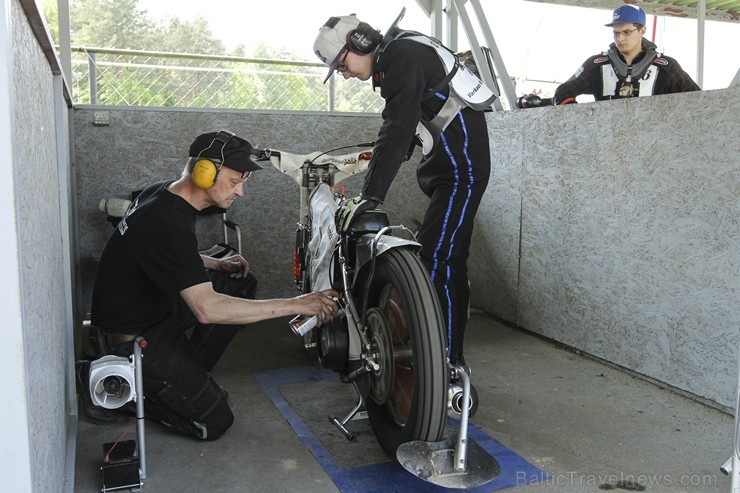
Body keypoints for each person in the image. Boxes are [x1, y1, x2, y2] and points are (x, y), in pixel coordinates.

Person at [84, 130, 339, 440]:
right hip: (131, 339)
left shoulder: (162, 194)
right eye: (235, 182)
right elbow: (207, 309)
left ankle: (190, 373)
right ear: (204, 173)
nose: (241, 192)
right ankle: (124, 390)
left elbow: (159, 252)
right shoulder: (168, 221)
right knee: (214, 421)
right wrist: (298, 304)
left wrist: (215, 263)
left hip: (152, 311)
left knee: (238, 281)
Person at [313, 10, 495, 372]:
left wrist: (371, 197)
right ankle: (445, 356)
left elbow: (396, 127)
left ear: (359, 43)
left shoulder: (402, 56)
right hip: (451, 169)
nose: (345, 74)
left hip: (460, 171)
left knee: (439, 261)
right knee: (448, 261)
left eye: (342, 64)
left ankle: (444, 365)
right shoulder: (400, 53)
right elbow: (415, 120)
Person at [554, 4, 700, 105]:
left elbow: (699, 100)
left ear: (642, 31)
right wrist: (580, 120)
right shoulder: (596, 65)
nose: (620, 38)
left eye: (626, 32)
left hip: (652, 144)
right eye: (616, 33)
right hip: (604, 143)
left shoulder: (666, 67)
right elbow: (563, 91)